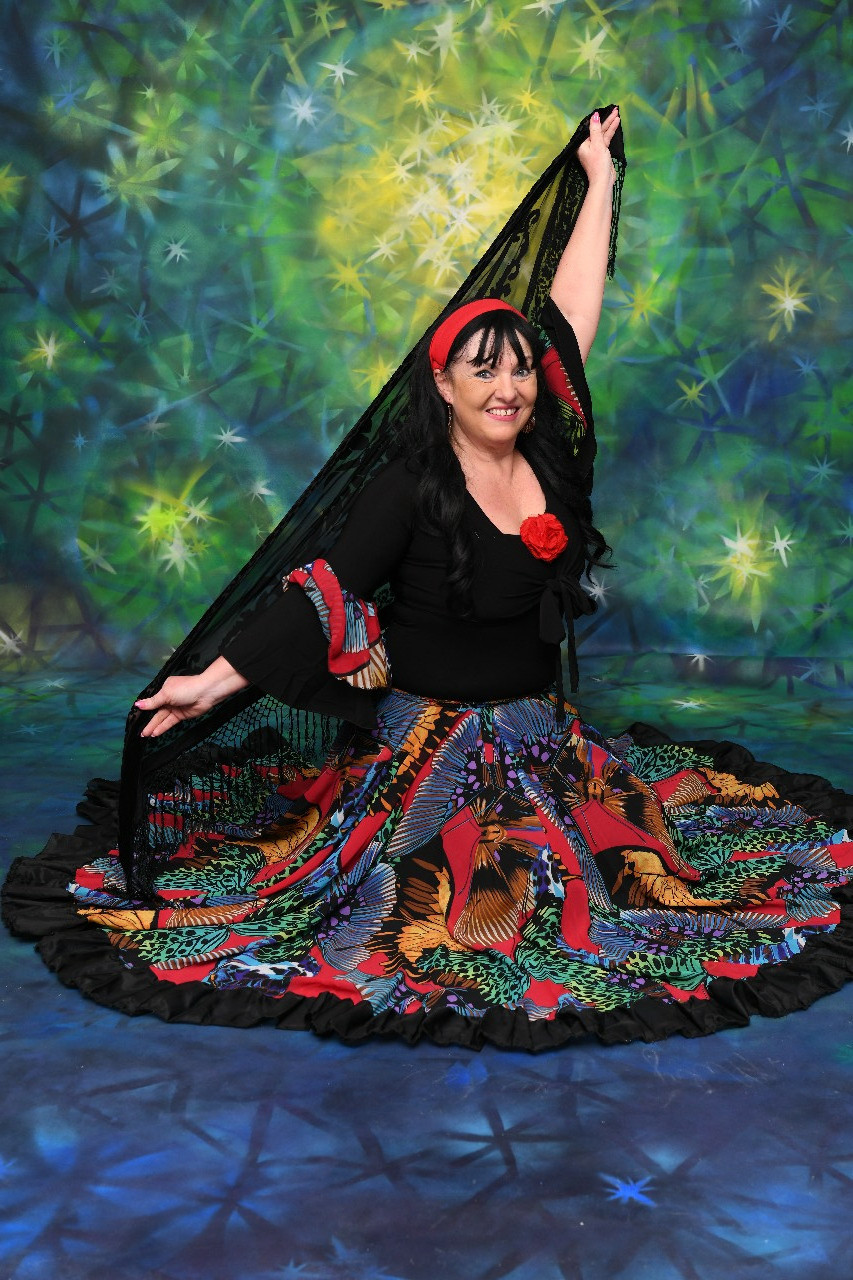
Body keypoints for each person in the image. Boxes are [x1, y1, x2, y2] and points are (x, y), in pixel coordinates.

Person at [4, 109, 852, 1051]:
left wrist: (598, 178)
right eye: (482, 371)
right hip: (428, 760)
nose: (508, 388)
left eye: (519, 371)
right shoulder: (409, 487)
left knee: (620, 891)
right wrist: (213, 682)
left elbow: (571, 319)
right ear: (442, 383)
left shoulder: (551, 460)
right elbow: (323, 592)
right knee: (411, 909)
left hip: (543, 750)